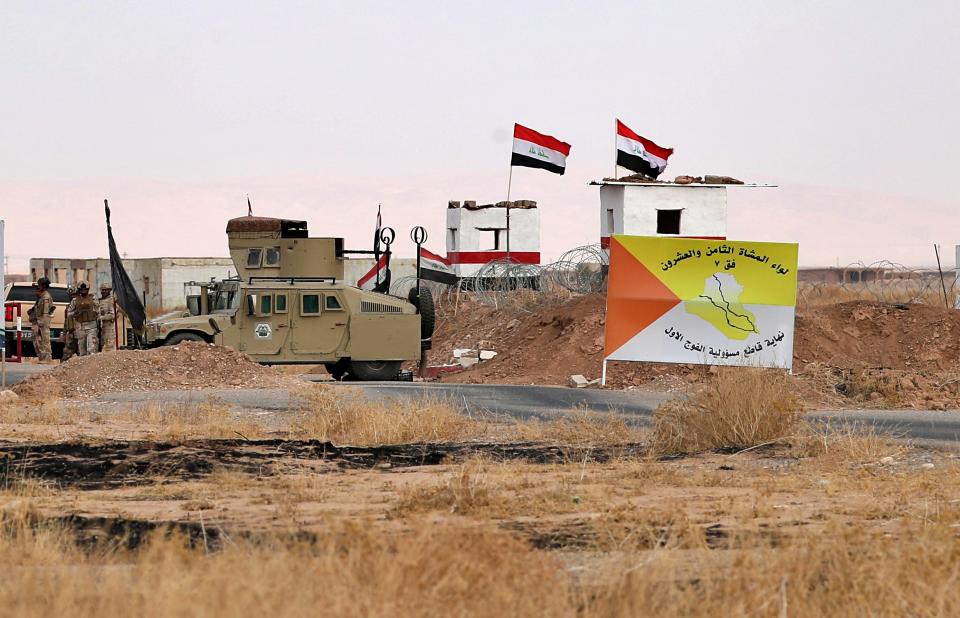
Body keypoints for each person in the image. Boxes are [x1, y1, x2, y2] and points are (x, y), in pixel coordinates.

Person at [31, 277, 54, 363]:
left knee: (45, 339)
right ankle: (42, 357)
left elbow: (45, 312)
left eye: (40, 285)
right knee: (37, 339)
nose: (38, 287)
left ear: (44, 286)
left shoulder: (46, 297)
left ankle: (47, 358)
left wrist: (41, 323)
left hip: (43, 321)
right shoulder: (41, 297)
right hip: (39, 320)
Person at [73, 282, 99, 356]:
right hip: (80, 326)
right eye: (82, 289)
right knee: (82, 348)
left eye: (85, 289)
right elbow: (69, 312)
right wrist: (76, 313)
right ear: (79, 290)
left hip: (91, 325)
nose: (83, 291)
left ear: (88, 290)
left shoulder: (93, 298)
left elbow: (98, 310)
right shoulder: (75, 300)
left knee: (92, 348)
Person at [61, 285, 79, 361]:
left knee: (82, 353)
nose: (72, 297)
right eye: (71, 295)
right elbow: (66, 321)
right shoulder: (68, 307)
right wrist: (64, 334)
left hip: (80, 332)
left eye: (74, 295)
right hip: (70, 333)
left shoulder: (81, 304)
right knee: (66, 353)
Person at [98, 282, 117, 352]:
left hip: (109, 327)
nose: (104, 291)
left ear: (109, 291)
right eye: (103, 290)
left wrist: (101, 317)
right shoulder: (100, 301)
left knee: (109, 347)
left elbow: (112, 315)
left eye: (106, 290)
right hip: (101, 327)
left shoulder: (111, 300)